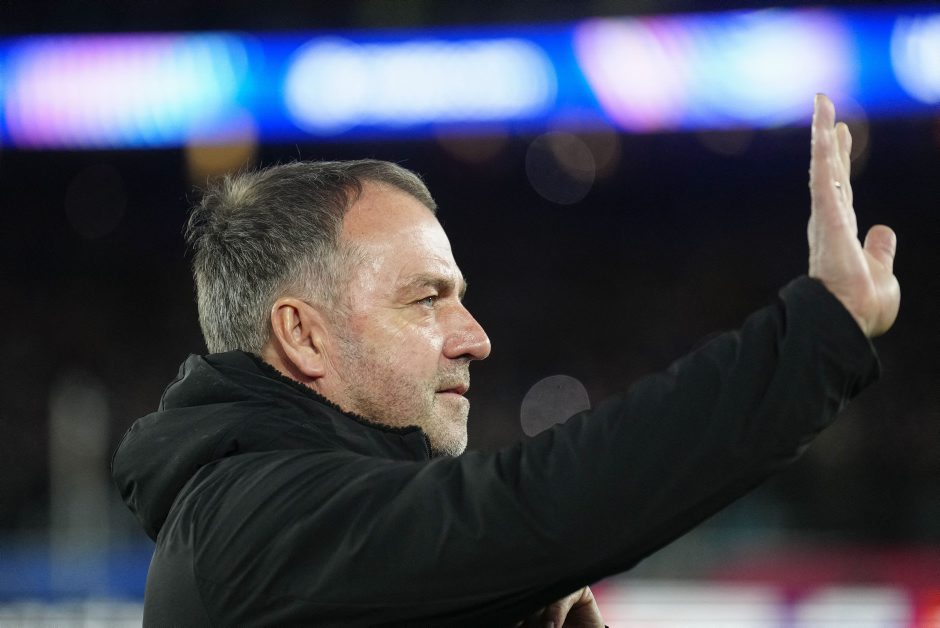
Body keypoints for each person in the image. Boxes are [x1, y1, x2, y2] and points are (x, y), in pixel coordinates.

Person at [112, 94, 899, 626]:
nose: (475, 337)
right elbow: (535, 510)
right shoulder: (254, 524)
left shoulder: (297, 537)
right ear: (302, 335)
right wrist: (816, 336)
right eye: (426, 299)